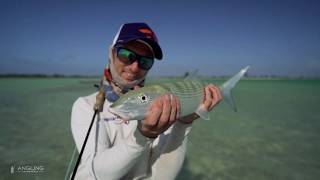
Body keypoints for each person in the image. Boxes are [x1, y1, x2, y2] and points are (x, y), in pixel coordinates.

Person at [71, 22, 222, 180]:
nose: (135, 67)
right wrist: (143, 135)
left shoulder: (161, 105)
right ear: (111, 53)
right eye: (126, 55)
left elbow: (163, 176)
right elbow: (100, 175)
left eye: (145, 61)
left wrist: (183, 123)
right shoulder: (85, 106)